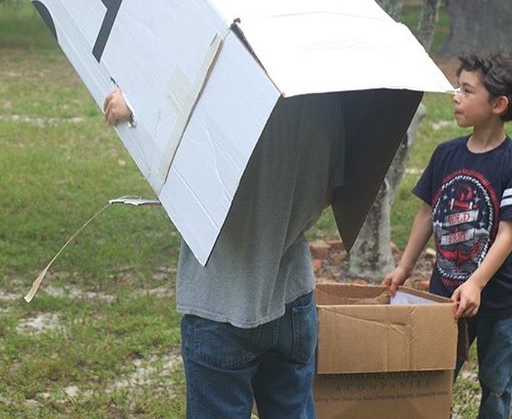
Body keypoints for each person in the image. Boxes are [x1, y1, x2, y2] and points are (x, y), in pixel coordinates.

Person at [103, 86, 345, 419]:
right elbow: (331, 193)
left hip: (218, 300)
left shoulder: (223, 88)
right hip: (293, 298)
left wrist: (135, 110)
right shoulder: (326, 99)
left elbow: (172, 171)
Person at [383, 53, 512, 419]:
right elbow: (426, 212)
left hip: (500, 300)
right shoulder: (446, 154)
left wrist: (476, 284)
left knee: (496, 383)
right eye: (458, 87)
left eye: (467, 90)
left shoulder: (509, 162)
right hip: (443, 296)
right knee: (436, 375)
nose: (456, 96)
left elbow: (508, 231)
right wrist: (404, 267)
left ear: (498, 104)